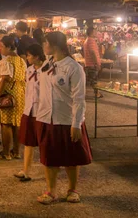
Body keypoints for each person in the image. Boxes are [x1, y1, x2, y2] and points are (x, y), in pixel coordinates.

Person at [35, 31, 92, 205]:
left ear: (54, 45)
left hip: (66, 119)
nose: (44, 46)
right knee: (49, 156)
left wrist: (76, 123)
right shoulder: (47, 64)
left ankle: (72, 190)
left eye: (46, 42)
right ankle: (51, 191)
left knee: (71, 157)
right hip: (46, 117)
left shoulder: (73, 67)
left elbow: (79, 98)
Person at [0, 35, 26, 160]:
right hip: (19, 95)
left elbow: (3, 80)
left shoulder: (6, 62)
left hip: (6, 96)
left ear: (9, 47)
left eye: (2, 47)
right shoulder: (21, 60)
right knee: (16, 123)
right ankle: (16, 151)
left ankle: (6, 152)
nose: (0, 49)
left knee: (6, 124)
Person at [15, 43, 46, 182]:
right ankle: (26, 171)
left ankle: (49, 171)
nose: (27, 57)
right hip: (29, 110)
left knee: (44, 143)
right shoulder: (28, 70)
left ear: (37, 56)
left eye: (29, 55)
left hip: (42, 111)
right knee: (28, 142)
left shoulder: (47, 70)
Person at [83, 26, 102, 98]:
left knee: (92, 80)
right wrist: (96, 63)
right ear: (91, 32)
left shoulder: (88, 40)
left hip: (89, 63)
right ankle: (97, 93)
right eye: (95, 32)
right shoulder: (90, 40)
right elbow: (92, 52)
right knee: (93, 80)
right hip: (92, 64)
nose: (96, 33)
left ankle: (97, 93)